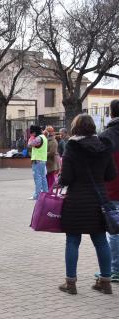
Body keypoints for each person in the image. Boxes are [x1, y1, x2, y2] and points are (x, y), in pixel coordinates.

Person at [58, 114, 115, 295]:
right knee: (100, 241)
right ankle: (105, 282)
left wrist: (60, 178)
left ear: (75, 128)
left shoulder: (72, 148)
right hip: (99, 201)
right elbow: (110, 175)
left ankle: (71, 283)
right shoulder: (103, 147)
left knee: (73, 241)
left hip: (76, 201)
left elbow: (66, 178)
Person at [98, 99, 119, 283]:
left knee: (114, 231)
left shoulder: (106, 136)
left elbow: (100, 166)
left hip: (112, 190)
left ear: (111, 113)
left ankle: (116, 269)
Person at [27, 125, 48, 199]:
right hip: (43, 160)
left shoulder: (38, 138)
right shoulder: (44, 137)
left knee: (37, 178)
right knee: (43, 177)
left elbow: (29, 145)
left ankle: (37, 195)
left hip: (37, 160)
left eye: (31, 133)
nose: (31, 134)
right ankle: (45, 194)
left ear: (35, 132)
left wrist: (31, 138)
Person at [45, 126, 60, 191]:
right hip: (49, 162)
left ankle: (50, 192)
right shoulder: (47, 139)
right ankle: (49, 191)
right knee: (48, 177)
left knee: (50, 177)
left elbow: (52, 152)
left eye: (47, 131)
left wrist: (43, 154)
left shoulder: (53, 141)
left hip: (51, 162)